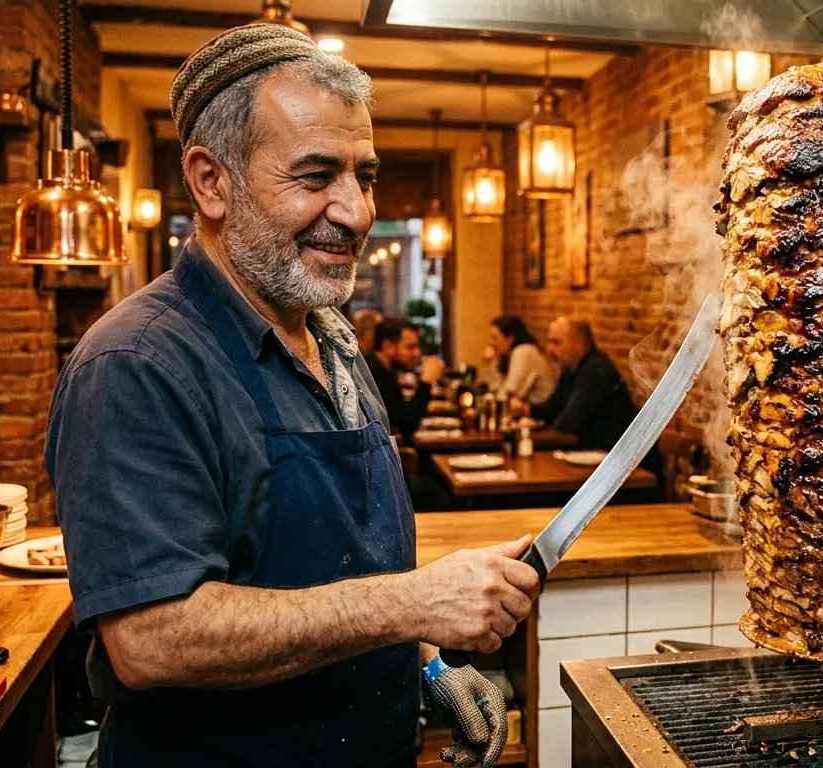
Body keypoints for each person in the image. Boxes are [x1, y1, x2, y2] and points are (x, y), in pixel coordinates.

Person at [44, 25, 536, 768]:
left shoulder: (331, 338)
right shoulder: (137, 363)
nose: (357, 212)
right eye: (314, 177)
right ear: (211, 182)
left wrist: (428, 658)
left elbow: (348, 563)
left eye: (364, 176)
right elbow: (152, 640)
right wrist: (413, 604)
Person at [514, 316, 640, 451]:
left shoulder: (595, 370)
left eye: (556, 343)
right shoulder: (570, 368)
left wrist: (554, 419)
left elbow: (568, 423)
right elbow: (551, 408)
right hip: (594, 453)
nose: (549, 349)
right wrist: (527, 409)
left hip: (620, 458)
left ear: (579, 345)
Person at [368, 316, 445, 438]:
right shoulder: (377, 374)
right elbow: (407, 422)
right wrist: (426, 382)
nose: (417, 352)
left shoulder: (381, 370)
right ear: (388, 346)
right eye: (410, 347)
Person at [485, 315, 554, 405]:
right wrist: (492, 362)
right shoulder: (510, 355)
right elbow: (495, 390)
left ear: (510, 338)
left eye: (495, 338)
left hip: (541, 414)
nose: (491, 342)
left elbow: (509, 394)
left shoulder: (523, 352)